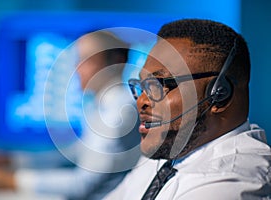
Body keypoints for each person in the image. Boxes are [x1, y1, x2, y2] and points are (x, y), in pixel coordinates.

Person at [104, 19, 271, 199]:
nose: (142, 101)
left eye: (160, 85)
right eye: (143, 86)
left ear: (219, 93)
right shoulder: (170, 148)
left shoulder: (228, 183)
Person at [0, 31, 140, 199]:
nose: (78, 69)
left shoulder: (119, 113)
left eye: (87, 60)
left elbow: (82, 185)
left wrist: (7, 180)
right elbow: (76, 153)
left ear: (118, 62)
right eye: (78, 60)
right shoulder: (103, 105)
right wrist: (11, 160)